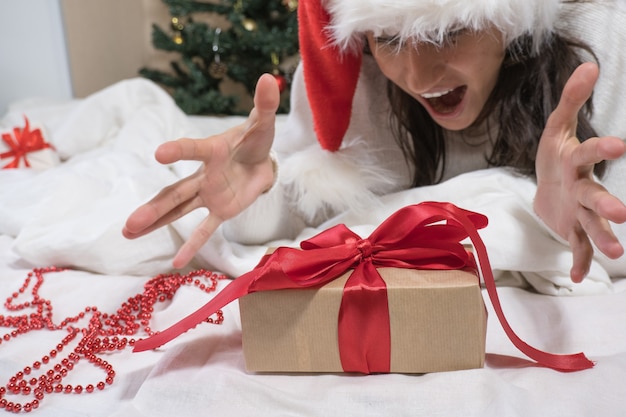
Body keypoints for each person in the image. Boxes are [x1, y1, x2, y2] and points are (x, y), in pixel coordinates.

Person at [123, 0, 626, 284]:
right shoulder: (354, 79)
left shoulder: (599, 47)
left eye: (447, 31)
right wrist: (260, 190)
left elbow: (611, 241)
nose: (416, 73)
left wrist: (553, 222)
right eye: (387, 38)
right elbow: (307, 214)